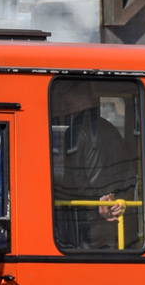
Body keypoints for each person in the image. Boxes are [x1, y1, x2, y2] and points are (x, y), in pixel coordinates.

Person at [53, 83, 135, 249]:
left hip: (91, 216)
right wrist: (118, 198)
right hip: (114, 211)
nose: (62, 101)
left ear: (83, 98)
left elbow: (75, 178)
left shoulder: (77, 130)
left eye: (67, 93)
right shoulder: (110, 128)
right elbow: (129, 172)